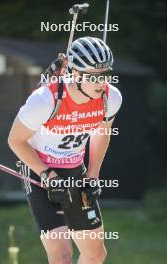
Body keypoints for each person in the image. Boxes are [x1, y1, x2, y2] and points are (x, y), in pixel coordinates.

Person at [8, 36, 122, 264]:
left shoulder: (111, 98)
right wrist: (47, 174)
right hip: (39, 171)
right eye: (94, 76)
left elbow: (101, 133)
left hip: (74, 171)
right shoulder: (45, 100)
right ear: (76, 74)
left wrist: (93, 175)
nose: (102, 83)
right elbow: (16, 141)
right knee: (62, 257)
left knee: (96, 255)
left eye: (106, 75)